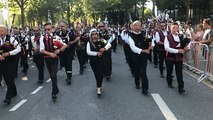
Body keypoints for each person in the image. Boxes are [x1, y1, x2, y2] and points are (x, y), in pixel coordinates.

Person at [40, 23, 67, 100]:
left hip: (55, 58)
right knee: (51, 75)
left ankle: (53, 92)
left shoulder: (56, 37)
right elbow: (41, 49)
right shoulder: (42, 38)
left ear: (52, 29)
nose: (47, 31)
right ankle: (56, 88)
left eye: (48, 29)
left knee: (53, 75)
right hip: (47, 58)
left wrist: (59, 50)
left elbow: (64, 45)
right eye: (45, 29)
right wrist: (50, 54)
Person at [164, 22, 190, 94]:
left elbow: (185, 45)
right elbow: (167, 48)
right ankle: (169, 82)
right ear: (170, 28)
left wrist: (186, 48)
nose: (175, 29)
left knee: (179, 73)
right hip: (170, 57)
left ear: (178, 28)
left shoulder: (181, 36)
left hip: (179, 57)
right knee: (169, 71)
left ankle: (181, 87)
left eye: (176, 28)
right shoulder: (167, 37)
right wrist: (177, 50)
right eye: (173, 28)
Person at [86, 28, 111, 96]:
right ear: (91, 35)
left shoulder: (102, 40)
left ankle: (98, 87)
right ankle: (99, 85)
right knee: (96, 74)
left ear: (97, 35)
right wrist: (96, 53)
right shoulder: (89, 43)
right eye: (93, 34)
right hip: (93, 61)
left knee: (100, 74)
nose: (94, 36)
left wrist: (104, 48)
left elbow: (109, 44)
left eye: (95, 34)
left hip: (101, 60)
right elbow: (88, 52)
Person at [129, 20, 151, 96]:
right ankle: (137, 82)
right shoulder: (130, 35)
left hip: (143, 56)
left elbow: (150, 41)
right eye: (136, 25)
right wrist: (142, 50)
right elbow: (132, 47)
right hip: (135, 56)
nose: (138, 27)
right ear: (133, 26)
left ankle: (145, 89)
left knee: (144, 72)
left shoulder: (144, 34)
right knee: (137, 70)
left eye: (139, 25)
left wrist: (151, 46)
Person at [0, 25, 21, 104]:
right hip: (2, 62)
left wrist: (9, 53)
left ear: (6, 31)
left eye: (2, 31)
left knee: (9, 77)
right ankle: (14, 91)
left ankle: (8, 97)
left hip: (11, 61)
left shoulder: (11, 39)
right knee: (6, 78)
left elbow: (18, 49)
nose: (0, 33)